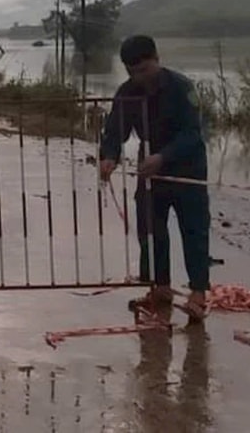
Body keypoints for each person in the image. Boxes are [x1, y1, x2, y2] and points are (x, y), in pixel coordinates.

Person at [99, 35, 209, 321]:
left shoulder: (182, 88)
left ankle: (198, 293)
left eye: (144, 70)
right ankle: (159, 287)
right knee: (150, 229)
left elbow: (193, 134)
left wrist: (163, 157)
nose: (139, 77)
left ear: (157, 59)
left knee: (194, 230)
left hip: (187, 169)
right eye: (132, 72)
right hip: (150, 173)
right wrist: (109, 156)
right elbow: (115, 132)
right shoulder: (126, 93)